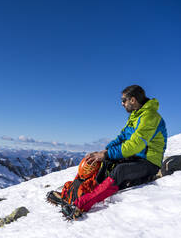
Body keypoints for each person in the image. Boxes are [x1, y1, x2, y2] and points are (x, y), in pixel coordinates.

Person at [64, 85, 167, 219]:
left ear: (133, 100)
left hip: (149, 162)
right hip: (135, 158)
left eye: (124, 100)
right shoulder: (135, 115)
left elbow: (135, 145)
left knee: (120, 170)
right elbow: (122, 137)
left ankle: (81, 204)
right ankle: (73, 192)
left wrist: (106, 154)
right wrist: (104, 152)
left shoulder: (150, 117)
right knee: (102, 162)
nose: (122, 103)